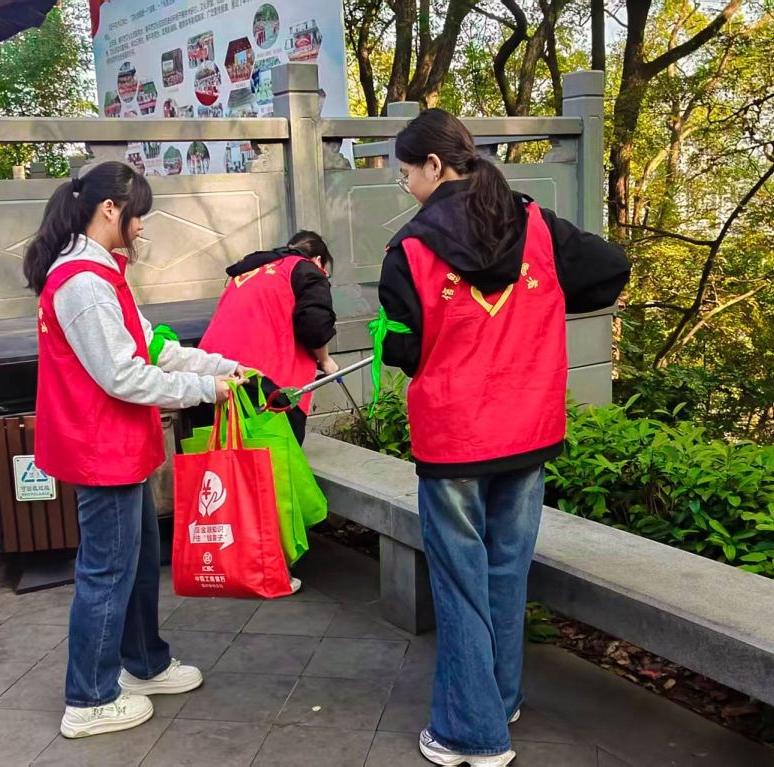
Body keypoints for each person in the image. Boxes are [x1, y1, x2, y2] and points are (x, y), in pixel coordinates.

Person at [375, 110, 630, 767]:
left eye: (406, 173)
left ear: (435, 166)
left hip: (453, 438)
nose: (407, 186)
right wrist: (540, 305)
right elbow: (610, 268)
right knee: (505, 572)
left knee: (459, 582)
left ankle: (472, 733)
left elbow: (403, 350)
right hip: (526, 429)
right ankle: (501, 696)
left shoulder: (408, 249)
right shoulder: (535, 223)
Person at [24, 161, 248, 739]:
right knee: (106, 573)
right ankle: (90, 698)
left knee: (140, 563)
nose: (142, 226)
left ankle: (144, 664)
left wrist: (226, 366)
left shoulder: (103, 274)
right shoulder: (82, 284)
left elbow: (156, 347)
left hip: (121, 446)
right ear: (109, 210)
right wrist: (206, 389)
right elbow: (122, 374)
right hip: (102, 452)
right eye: (138, 215)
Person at [195, 230, 338, 445]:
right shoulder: (306, 269)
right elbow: (315, 326)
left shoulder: (252, 270)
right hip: (261, 374)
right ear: (318, 260)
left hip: (208, 369)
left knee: (221, 455)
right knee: (274, 455)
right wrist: (325, 361)